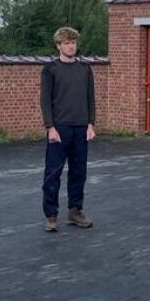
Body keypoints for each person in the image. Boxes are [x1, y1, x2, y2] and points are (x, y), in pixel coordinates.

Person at [41, 26, 96, 232]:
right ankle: (51, 215)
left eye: (73, 42)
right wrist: (50, 127)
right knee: (53, 173)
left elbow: (90, 98)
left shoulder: (84, 69)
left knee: (78, 172)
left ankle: (75, 211)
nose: (70, 46)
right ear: (58, 45)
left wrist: (91, 124)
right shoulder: (51, 70)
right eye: (66, 43)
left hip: (81, 127)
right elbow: (45, 100)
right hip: (59, 128)